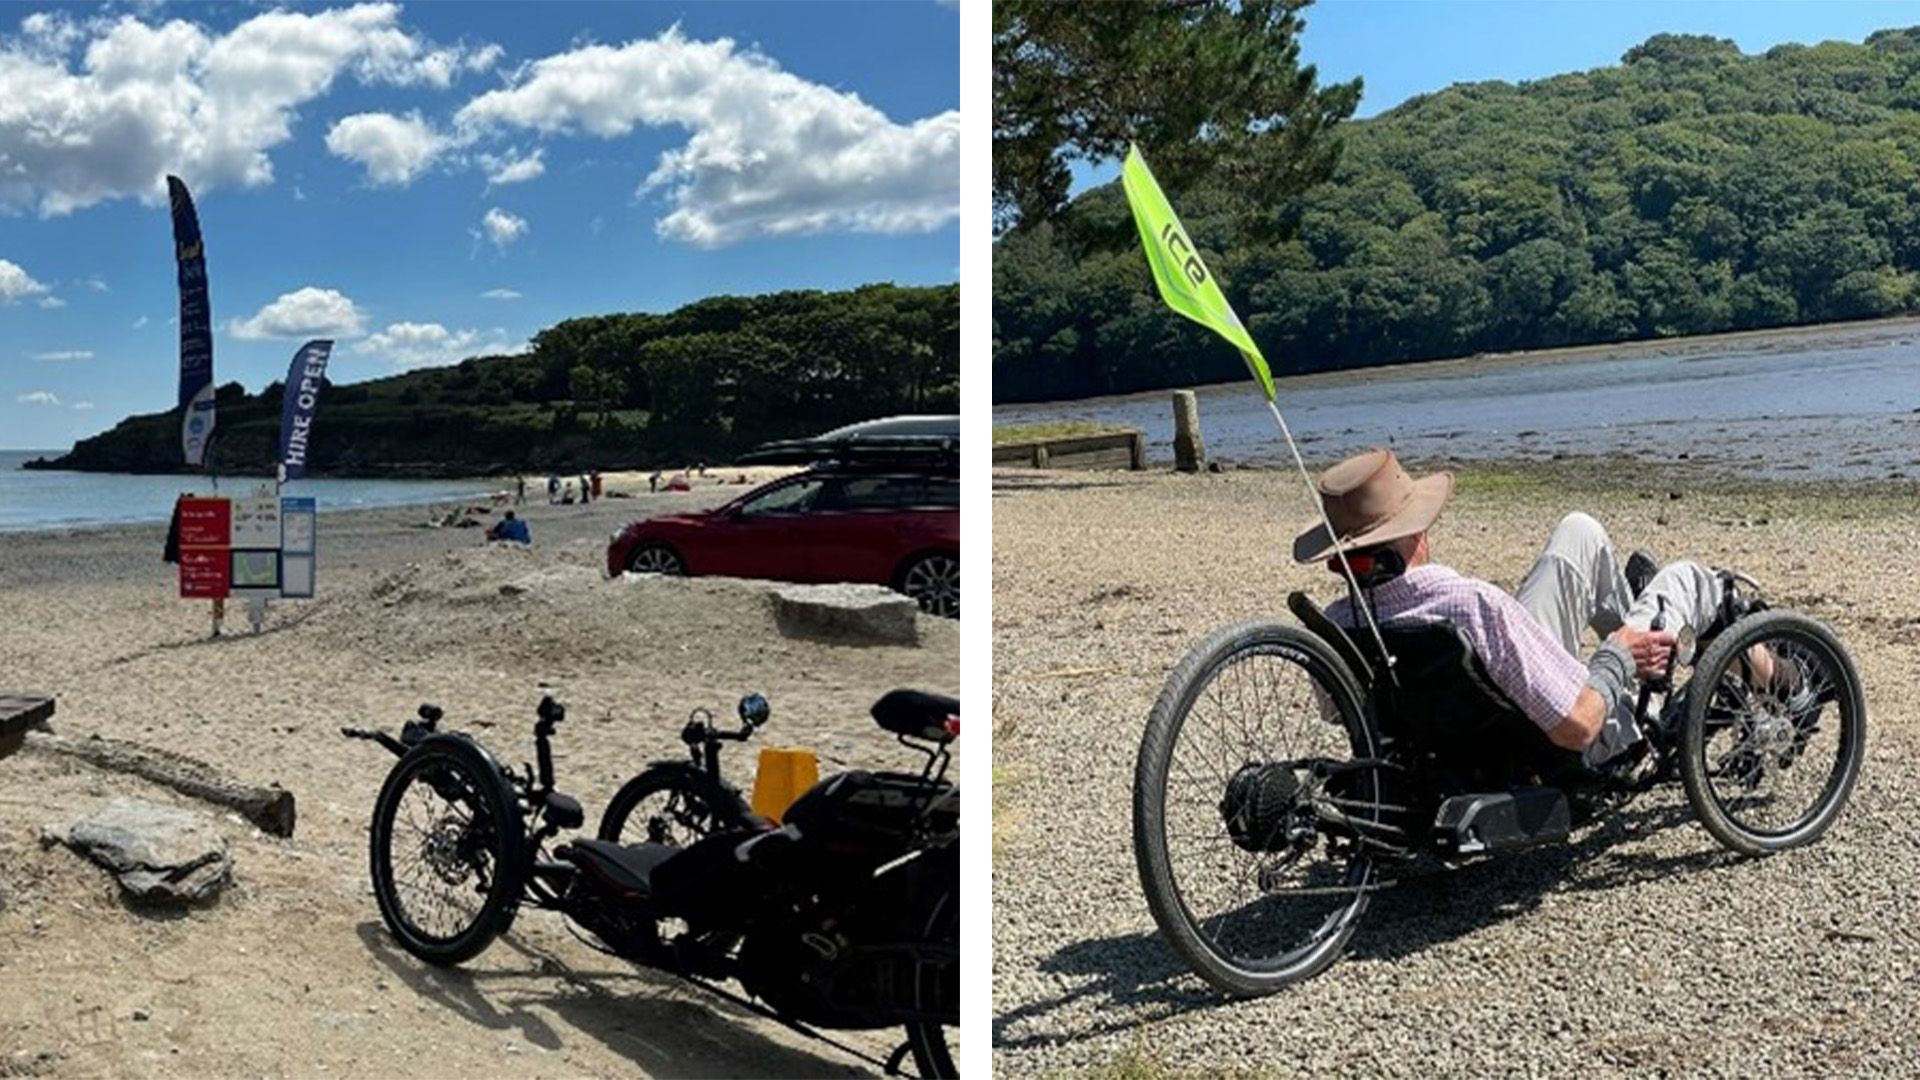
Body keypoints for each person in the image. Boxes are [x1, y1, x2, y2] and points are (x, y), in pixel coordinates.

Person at [1300, 448, 1757, 771]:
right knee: (1685, 579)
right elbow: (1578, 727)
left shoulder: (1337, 626)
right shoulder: (1471, 605)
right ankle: (1777, 676)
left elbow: (1335, 712)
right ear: (1417, 531)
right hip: (1565, 740)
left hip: (1459, 739)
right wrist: (1617, 657)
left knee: (1579, 532)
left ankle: (1635, 609)